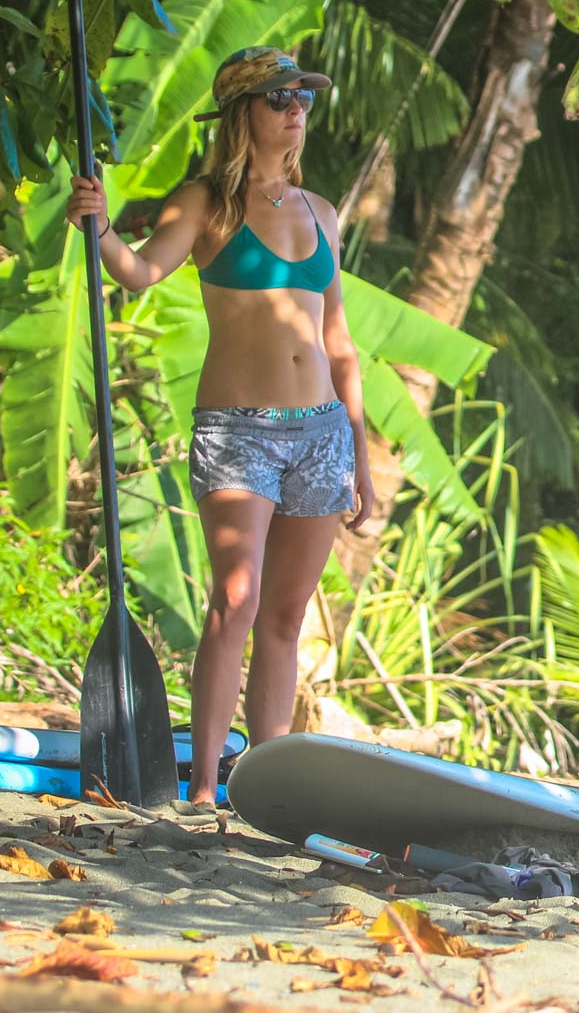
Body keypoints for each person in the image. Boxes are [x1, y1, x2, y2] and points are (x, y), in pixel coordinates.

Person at [65, 45, 373, 805]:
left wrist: (360, 455)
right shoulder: (204, 203)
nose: (295, 110)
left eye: (302, 97)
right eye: (279, 99)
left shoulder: (321, 211)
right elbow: (137, 272)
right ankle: (203, 786)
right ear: (243, 114)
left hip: (322, 433)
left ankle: (263, 786)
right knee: (234, 601)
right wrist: (97, 224)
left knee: (285, 617)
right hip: (238, 431)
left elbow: (339, 341)